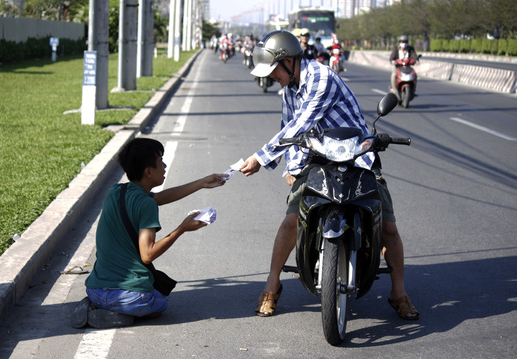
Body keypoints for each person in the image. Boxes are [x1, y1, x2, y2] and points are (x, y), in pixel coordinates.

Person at [241, 30, 419, 320]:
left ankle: (399, 292)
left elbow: (300, 124)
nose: (272, 76)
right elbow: (290, 132)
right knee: (290, 222)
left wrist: (259, 158)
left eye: (274, 69)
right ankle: (272, 286)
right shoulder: (288, 90)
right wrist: (291, 168)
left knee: (387, 226)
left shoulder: (321, 78)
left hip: (356, 157)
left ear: (289, 62)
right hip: (318, 160)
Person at [71, 138, 228, 329]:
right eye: (160, 161)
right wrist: (181, 229)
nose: (164, 165)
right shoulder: (146, 204)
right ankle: (118, 314)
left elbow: (160, 197)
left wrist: (202, 182)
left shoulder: (116, 191)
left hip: (94, 289)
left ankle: (95, 305)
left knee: (142, 295)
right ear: (148, 171)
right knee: (160, 303)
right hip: (130, 298)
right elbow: (147, 255)